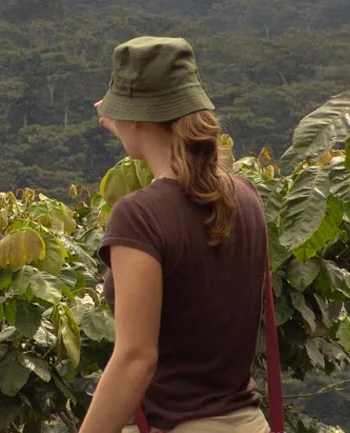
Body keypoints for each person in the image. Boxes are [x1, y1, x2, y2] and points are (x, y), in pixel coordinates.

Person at [78, 37, 272, 433]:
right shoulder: (246, 198)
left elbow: (135, 359)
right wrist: (129, 121)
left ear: (135, 119)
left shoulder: (138, 217)